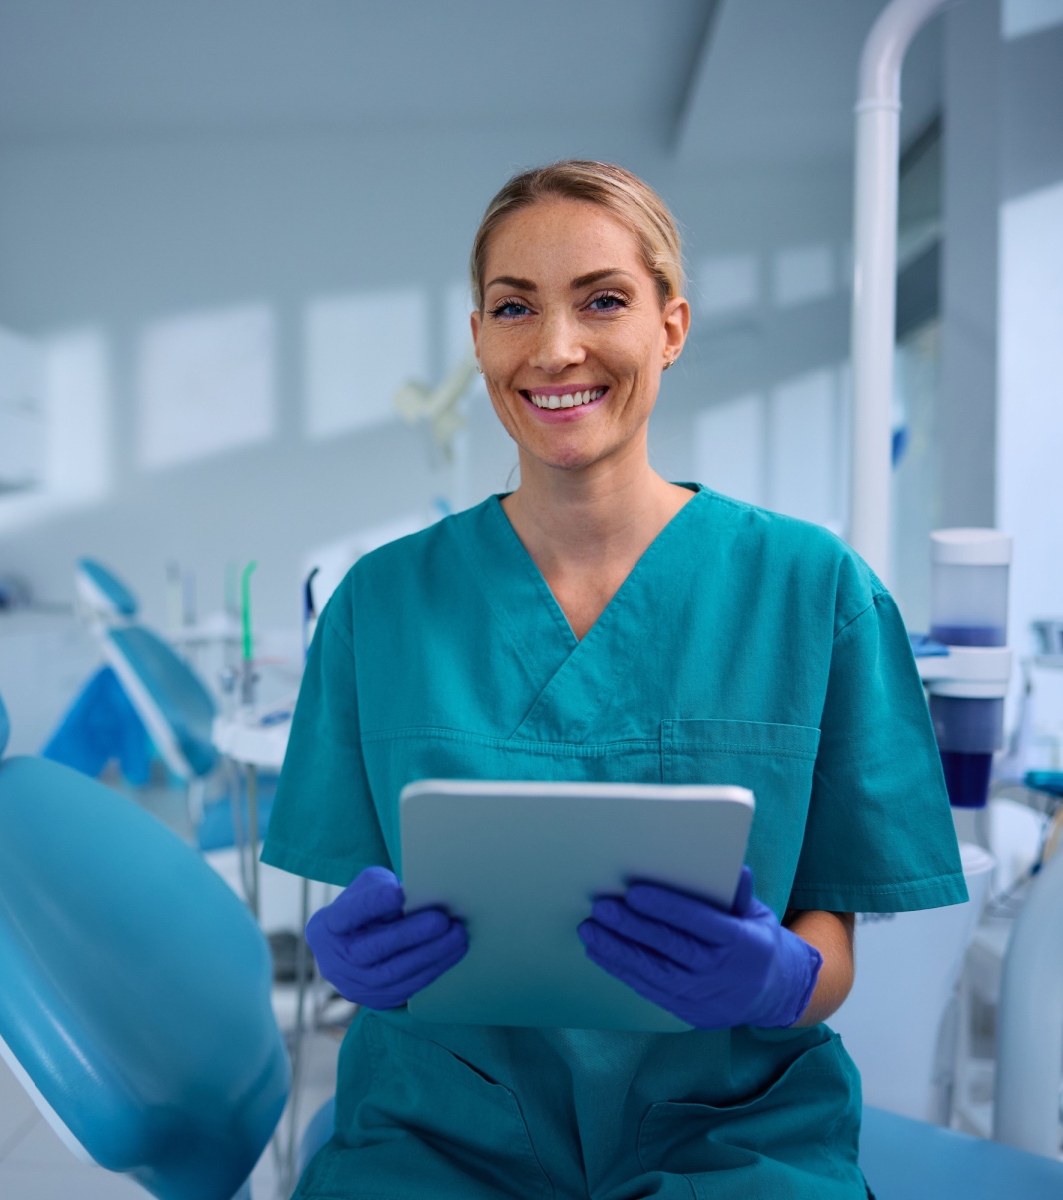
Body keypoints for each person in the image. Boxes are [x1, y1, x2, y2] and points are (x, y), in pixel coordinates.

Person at [263, 160, 967, 1199]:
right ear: (479, 340)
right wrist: (348, 961)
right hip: (438, 1123)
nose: (556, 348)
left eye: (603, 300)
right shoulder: (380, 605)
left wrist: (782, 978)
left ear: (671, 328)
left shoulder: (815, 593)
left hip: (733, 1124)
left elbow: (833, 939)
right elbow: (364, 904)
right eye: (515, 308)